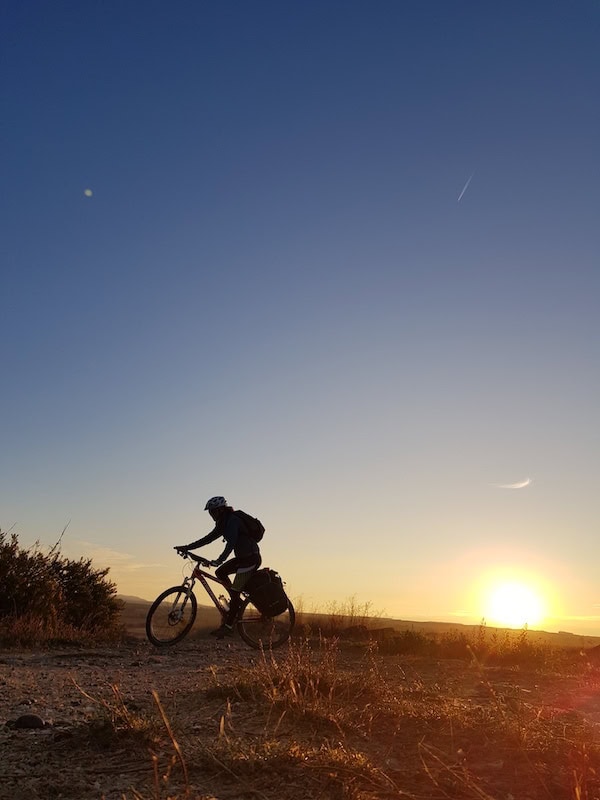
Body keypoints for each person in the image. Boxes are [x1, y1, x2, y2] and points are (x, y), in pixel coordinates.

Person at [175, 496, 261, 639]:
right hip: (242, 559)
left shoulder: (232, 520)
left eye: (213, 511)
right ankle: (236, 602)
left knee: (234, 590)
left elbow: (231, 543)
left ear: (220, 510)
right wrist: (187, 547)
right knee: (220, 573)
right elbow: (208, 539)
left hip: (250, 559)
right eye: (210, 512)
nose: (211, 515)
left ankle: (228, 626)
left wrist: (219, 560)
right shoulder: (223, 523)